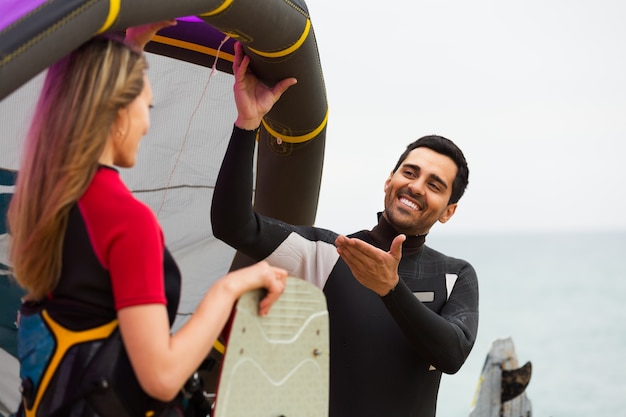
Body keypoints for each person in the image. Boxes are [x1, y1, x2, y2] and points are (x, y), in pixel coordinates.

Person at [7, 23, 289, 417]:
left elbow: (79, 98)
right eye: (147, 106)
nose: (146, 124)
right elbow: (162, 376)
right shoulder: (127, 219)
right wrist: (230, 287)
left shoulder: (48, 197)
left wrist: (134, 45)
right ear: (117, 110)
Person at [211, 42, 479, 417]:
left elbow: (451, 354)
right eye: (410, 172)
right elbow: (233, 224)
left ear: (448, 211)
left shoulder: (454, 275)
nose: (416, 187)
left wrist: (390, 289)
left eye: (435, 185)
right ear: (389, 181)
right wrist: (247, 125)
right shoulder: (327, 252)